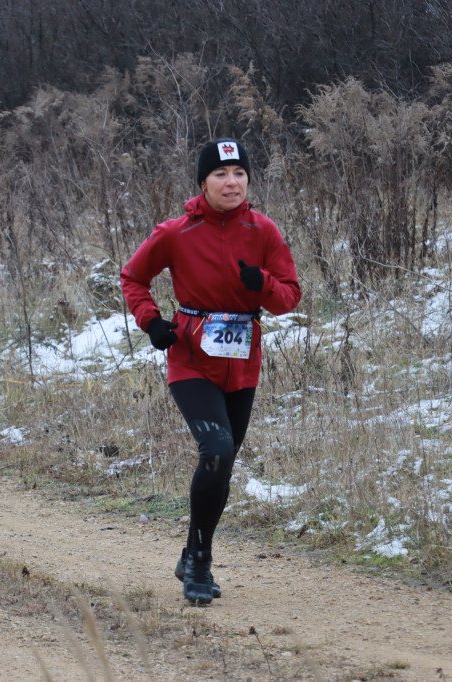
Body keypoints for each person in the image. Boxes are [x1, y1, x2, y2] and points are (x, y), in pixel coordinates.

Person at [120, 139, 300, 604]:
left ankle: (192, 551)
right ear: (203, 182)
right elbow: (133, 277)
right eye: (221, 174)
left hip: (242, 362)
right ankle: (200, 564)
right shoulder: (176, 232)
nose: (232, 182)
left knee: (222, 463)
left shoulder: (263, 231)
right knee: (215, 448)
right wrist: (152, 321)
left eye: (239, 172)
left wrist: (262, 284)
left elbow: (290, 297)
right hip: (190, 357)